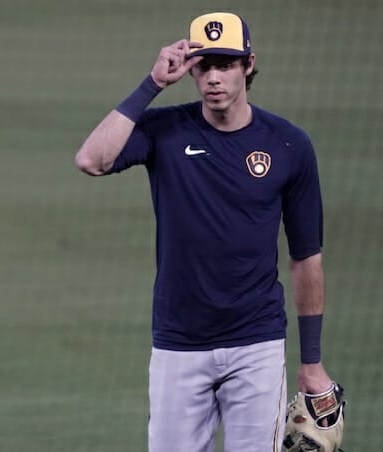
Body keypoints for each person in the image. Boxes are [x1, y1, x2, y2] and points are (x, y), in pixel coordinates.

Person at [75, 11, 336, 452]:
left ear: (248, 65)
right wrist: (152, 84)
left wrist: (311, 361)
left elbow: (306, 256)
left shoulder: (289, 145)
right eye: (204, 66)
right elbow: (91, 160)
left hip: (257, 343)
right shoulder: (164, 130)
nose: (214, 77)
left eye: (226, 64)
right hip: (179, 343)